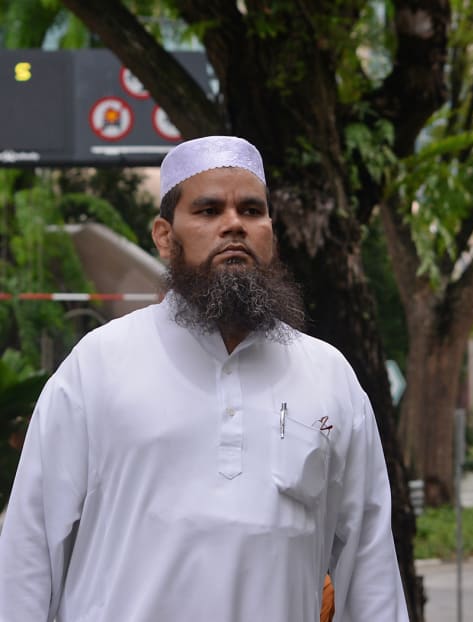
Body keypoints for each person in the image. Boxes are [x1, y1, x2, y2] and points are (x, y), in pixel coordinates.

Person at [0, 135, 409, 621]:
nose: (234, 224)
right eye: (209, 210)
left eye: (252, 211)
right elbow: (31, 545)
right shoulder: (98, 364)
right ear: (164, 236)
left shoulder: (328, 375)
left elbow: (370, 562)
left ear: (271, 233)